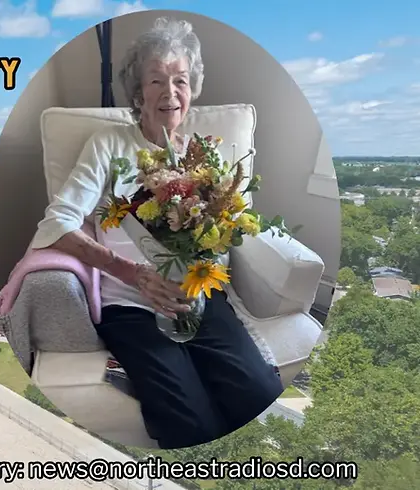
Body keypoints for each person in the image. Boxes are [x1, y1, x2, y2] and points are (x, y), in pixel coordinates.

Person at [31, 17, 283, 449]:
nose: (170, 93)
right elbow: (55, 225)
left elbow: (229, 226)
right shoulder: (109, 144)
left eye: (180, 81)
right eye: (156, 81)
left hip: (197, 297)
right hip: (131, 304)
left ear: (193, 88)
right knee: (189, 420)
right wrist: (134, 275)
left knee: (257, 395)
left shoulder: (206, 154)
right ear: (137, 92)